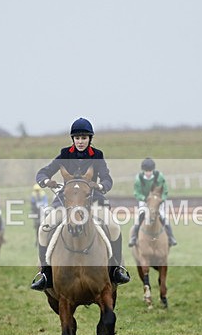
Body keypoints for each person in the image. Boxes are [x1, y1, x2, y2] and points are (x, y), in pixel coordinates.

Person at [30, 117, 130, 290]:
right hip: (65, 202)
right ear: (73, 139)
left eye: (84, 138)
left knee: (113, 226)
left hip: (92, 202)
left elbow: (107, 178)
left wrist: (99, 185)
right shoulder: (64, 154)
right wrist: (46, 181)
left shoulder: (97, 155)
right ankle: (45, 274)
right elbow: (43, 172)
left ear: (90, 139)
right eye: (77, 138)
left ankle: (116, 269)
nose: (80, 141)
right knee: (43, 228)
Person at [128, 157, 177, 247]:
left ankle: (171, 237)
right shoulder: (139, 178)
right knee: (140, 216)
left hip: (157, 201)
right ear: (143, 170)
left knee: (163, 216)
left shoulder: (159, 176)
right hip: (144, 201)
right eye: (146, 171)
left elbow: (165, 190)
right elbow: (137, 193)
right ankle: (134, 237)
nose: (148, 173)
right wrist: (144, 198)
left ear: (153, 170)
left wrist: (161, 199)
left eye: (150, 171)